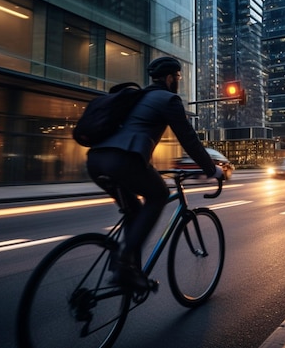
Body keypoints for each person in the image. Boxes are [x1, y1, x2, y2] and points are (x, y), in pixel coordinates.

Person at [86, 56, 224, 290]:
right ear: (170, 78)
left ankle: (129, 267)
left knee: (134, 211)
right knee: (159, 194)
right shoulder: (169, 99)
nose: (178, 81)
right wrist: (212, 170)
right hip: (123, 161)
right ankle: (123, 265)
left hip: (96, 160)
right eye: (178, 77)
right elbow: (189, 140)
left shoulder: (138, 97)